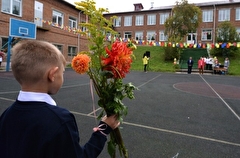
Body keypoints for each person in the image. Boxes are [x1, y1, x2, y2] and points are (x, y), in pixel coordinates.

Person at [0, 40, 120, 158]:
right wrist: (103, 130)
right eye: (62, 73)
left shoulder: (6, 115)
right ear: (52, 75)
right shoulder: (60, 120)